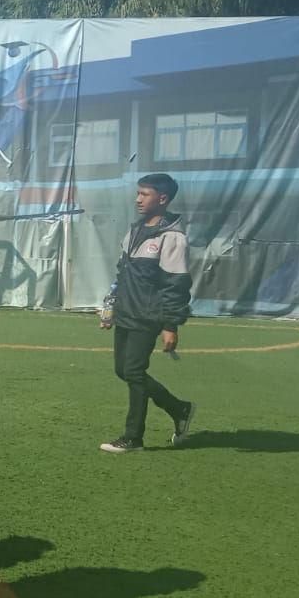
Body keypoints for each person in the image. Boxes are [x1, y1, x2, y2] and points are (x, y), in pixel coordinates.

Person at [100, 173, 196, 453]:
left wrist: (171, 325)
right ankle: (179, 409)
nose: (138, 199)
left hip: (149, 315)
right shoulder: (135, 230)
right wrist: (111, 307)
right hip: (127, 311)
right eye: (138, 193)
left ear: (162, 199)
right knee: (123, 371)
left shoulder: (173, 237)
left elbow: (176, 285)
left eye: (145, 194)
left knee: (133, 370)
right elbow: (123, 273)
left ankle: (133, 438)